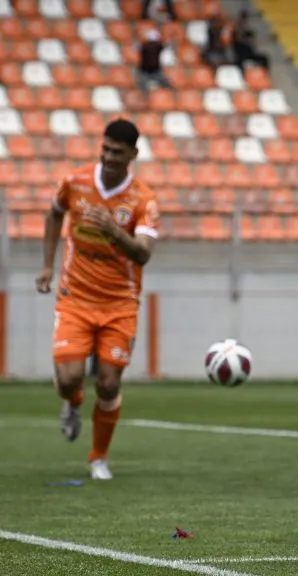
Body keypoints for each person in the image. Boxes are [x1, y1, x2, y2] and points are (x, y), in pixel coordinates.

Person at [35, 119, 159, 481]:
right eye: (104, 149)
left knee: (108, 383)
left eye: (117, 152)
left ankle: (98, 457)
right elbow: (54, 214)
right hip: (75, 296)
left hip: (120, 304)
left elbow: (143, 254)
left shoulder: (143, 201)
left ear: (133, 155)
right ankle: (72, 404)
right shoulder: (75, 182)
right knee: (71, 378)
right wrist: (46, 266)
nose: (108, 157)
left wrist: (111, 229)